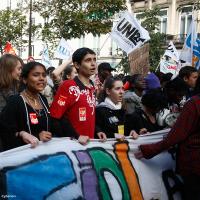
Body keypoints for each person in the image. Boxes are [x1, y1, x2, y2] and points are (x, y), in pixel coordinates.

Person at [137, 94, 200, 200]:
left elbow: (176, 136)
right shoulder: (194, 104)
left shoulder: (195, 104)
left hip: (194, 166)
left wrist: (150, 150)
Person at [0, 62, 52, 151]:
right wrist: (22, 134)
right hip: (23, 158)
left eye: (44, 75)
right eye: (36, 75)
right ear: (24, 79)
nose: (41, 79)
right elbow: (5, 132)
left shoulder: (43, 99)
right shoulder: (15, 101)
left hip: (44, 155)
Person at [50, 47, 97, 145]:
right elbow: (55, 117)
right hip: (73, 147)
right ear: (77, 65)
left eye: (94, 59)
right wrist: (76, 136)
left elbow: (89, 116)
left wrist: (98, 131)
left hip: (90, 144)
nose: (93, 64)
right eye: (88, 60)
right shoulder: (68, 86)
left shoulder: (92, 86)